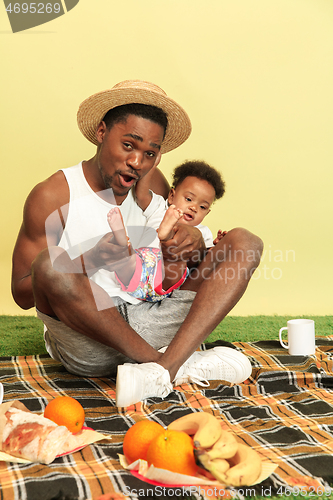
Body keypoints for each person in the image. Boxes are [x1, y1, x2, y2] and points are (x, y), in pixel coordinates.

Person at [11, 80, 263, 408]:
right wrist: (91, 259)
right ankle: (172, 365)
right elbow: (23, 293)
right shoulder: (53, 195)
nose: (137, 162)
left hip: (156, 316)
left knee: (245, 241)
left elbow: (188, 250)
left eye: (150, 153)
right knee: (50, 263)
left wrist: (195, 245)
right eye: (128, 145)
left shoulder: (152, 184)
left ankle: (161, 370)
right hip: (90, 335)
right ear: (102, 132)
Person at [107, 160, 228, 301]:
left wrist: (217, 246)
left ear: (207, 213)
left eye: (202, 207)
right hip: (141, 266)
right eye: (189, 199)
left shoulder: (202, 232)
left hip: (165, 282)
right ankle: (122, 241)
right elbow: (141, 194)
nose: (194, 208)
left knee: (178, 260)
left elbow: (205, 261)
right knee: (126, 261)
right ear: (171, 196)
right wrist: (151, 163)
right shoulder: (159, 207)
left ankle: (167, 235)